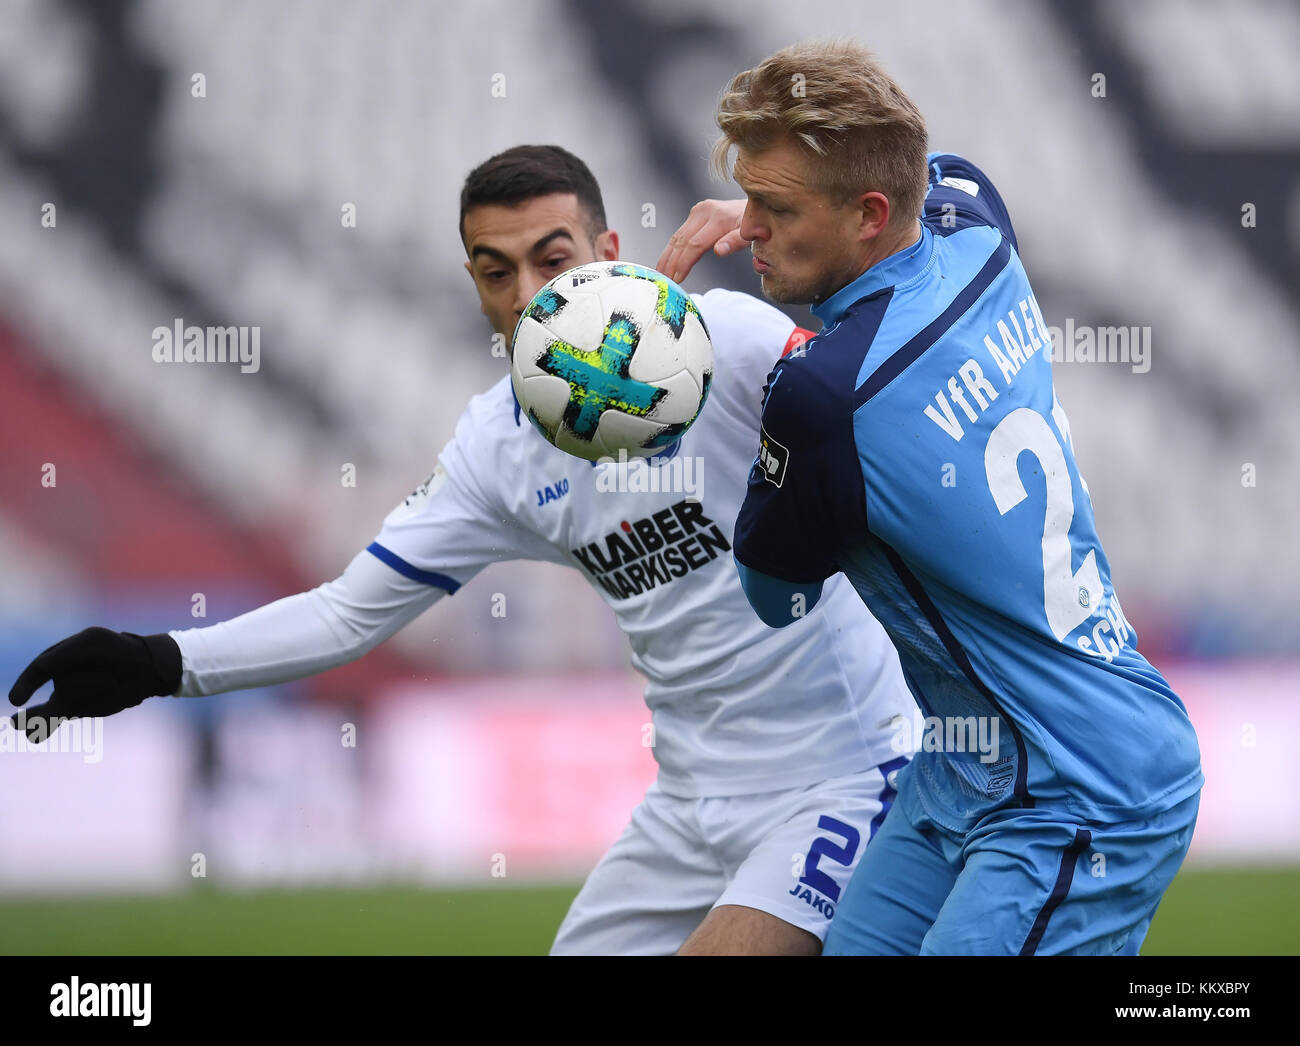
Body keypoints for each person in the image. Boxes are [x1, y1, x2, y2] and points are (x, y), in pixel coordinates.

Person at [9, 144, 915, 956]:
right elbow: (346, 612)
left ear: (607, 258)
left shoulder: (726, 343)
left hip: (838, 775)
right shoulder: (497, 451)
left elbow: (893, 396)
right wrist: (158, 661)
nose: (526, 296)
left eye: (551, 261)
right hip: (687, 807)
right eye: (495, 272)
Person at [664, 41, 1202, 955]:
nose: (748, 227)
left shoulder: (822, 395)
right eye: (749, 197)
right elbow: (928, 171)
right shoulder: (974, 224)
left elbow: (778, 598)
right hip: (962, 767)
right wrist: (785, 207)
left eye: (776, 208)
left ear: (868, 215)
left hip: (1081, 787)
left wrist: (682, 414)